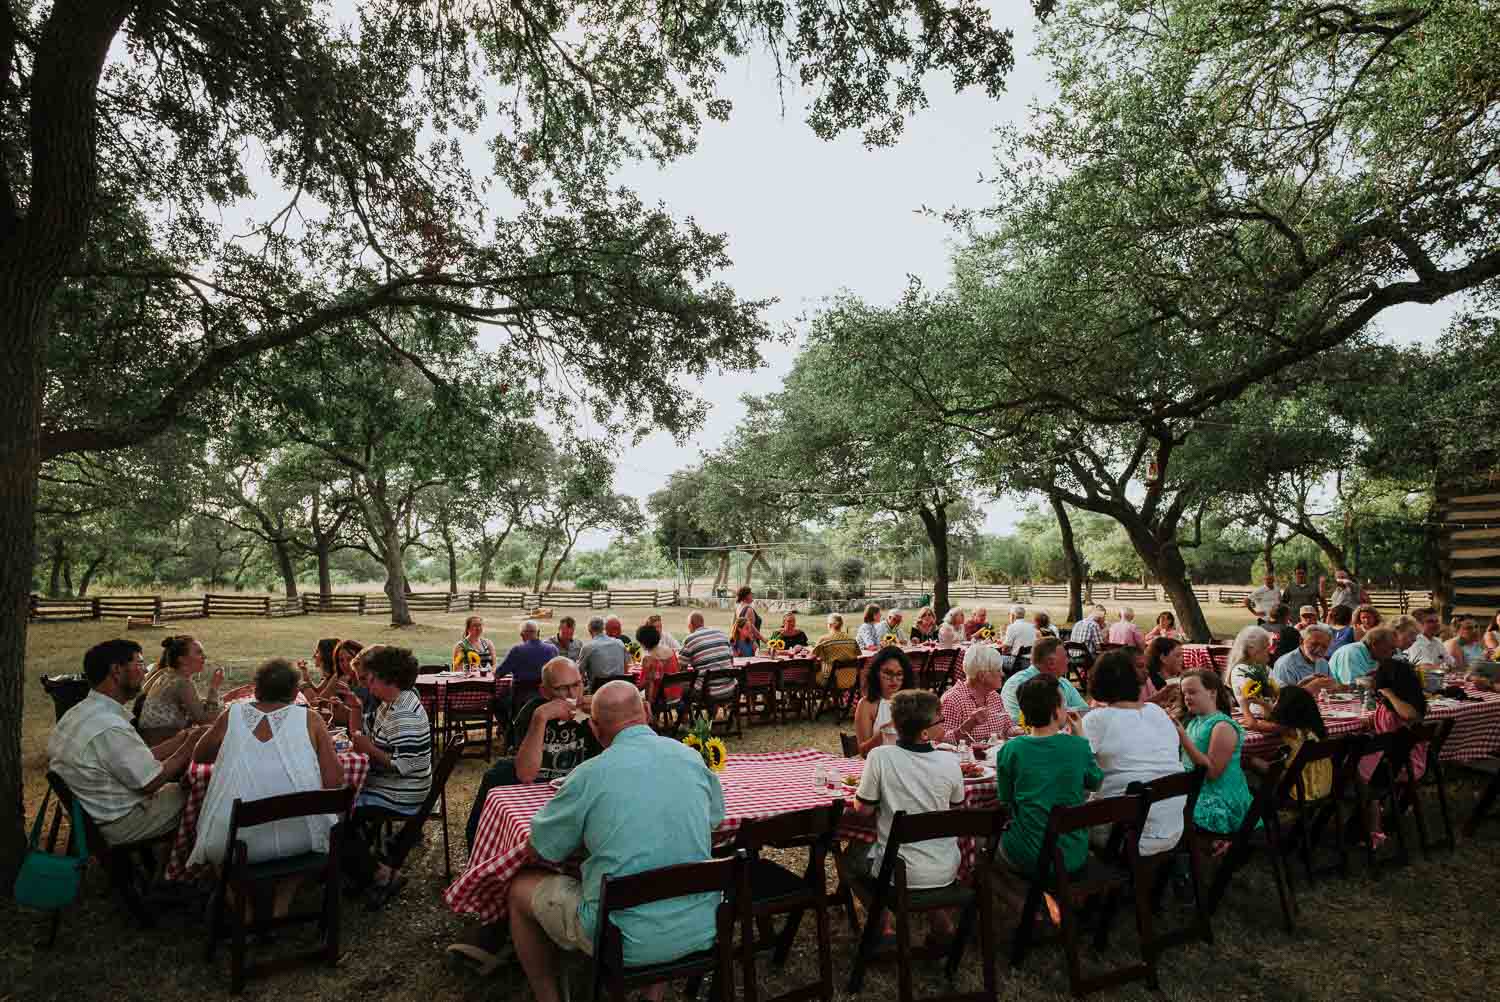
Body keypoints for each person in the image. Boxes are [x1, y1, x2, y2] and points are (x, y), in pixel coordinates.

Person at [507, 682, 725, 1002]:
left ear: (594, 728)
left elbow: (542, 848)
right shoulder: (691, 758)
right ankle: (653, 994)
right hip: (702, 925)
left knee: (519, 888)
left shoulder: (589, 774)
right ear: (647, 713)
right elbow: (715, 821)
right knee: (667, 858)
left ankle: (548, 997)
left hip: (622, 938)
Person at [449, 657, 603, 974]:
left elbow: (614, 762)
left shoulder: (595, 713)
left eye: (577, 685)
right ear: (545, 690)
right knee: (521, 843)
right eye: (563, 689)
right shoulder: (533, 711)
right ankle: (501, 922)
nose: (573, 695)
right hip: (534, 797)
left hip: (579, 801)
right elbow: (526, 773)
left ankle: (528, 922)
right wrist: (541, 719)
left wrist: (599, 721)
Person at [187, 658, 342, 917]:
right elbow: (334, 782)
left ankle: (244, 911)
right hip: (300, 838)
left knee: (215, 848)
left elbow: (199, 755)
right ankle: (280, 905)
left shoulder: (233, 714)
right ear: (295, 692)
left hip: (232, 843)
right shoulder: (310, 719)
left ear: (255, 690)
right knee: (318, 829)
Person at [48, 639, 200, 846]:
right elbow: (150, 782)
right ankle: (184, 870)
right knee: (203, 794)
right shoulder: (110, 727)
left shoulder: (78, 713)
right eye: (139, 664)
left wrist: (179, 741)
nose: (145, 672)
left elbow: (132, 760)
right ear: (116, 671)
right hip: (121, 821)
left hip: (96, 811)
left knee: (188, 787)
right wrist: (189, 747)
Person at [850, 689, 966, 937]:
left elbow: (863, 810)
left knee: (850, 855)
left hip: (898, 873)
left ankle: (881, 922)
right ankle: (939, 919)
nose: (944, 723)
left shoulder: (880, 756)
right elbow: (955, 810)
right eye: (941, 720)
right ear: (925, 733)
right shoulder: (950, 763)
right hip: (946, 868)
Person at [994, 675, 1103, 918]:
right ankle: (1045, 900)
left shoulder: (1011, 749)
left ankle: (1026, 905)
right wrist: (1081, 737)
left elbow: (1006, 802)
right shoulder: (1076, 746)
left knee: (984, 851)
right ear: (1056, 711)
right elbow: (1095, 780)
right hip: (1073, 852)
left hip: (1030, 853)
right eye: (1064, 704)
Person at [336, 646, 431, 908]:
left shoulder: (403, 714)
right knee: (340, 813)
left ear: (387, 677)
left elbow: (405, 766)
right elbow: (364, 735)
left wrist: (370, 750)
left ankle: (379, 874)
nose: (366, 686)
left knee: (335, 819)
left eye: (369, 680)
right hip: (393, 783)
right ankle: (362, 868)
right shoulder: (392, 704)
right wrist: (355, 708)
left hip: (404, 790)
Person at [1082, 651, 1185, 855]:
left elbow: (1078, 773)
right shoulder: (1158, 713)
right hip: (1172, 827)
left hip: (1124, 833)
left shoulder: (1096, 721)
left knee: (1059, 819)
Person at [1175, 670, 1253, 838]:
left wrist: (1183, 738)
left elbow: (1212, 773)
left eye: (1193, 692)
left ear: (1212, 692)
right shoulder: (1195, 721)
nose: (1187, 697)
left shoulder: (1222, 726)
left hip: (1219, 800)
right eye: (1184, 693)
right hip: (1195, 789)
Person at [1359, 657, 1428, 847]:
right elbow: (1384, 718)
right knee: (1363, 762)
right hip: (1394, 756)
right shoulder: (1388, 705)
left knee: (1353, 764)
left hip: (1404, 762)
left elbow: (1409, 715)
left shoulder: (1407, 704)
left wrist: (1390, 695)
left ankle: (1373, 825)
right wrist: (1371, 720)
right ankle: (1375, 812)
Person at [135, 634, 223, 746]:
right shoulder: (181, 682)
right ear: (182, 659)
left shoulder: (166, 674)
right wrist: (214, 688)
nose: (204, 657)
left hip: (150, 739)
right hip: (161, 745)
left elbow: (194, 708)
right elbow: (204, 720)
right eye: (199, 652)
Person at [1001, 635, 1088, 725]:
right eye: (1065, 657)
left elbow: (1084, 713)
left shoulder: (1063, 683)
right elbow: (1017, 722)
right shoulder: (1017, 684)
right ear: (1051, 663)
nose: (1068, 660)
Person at [939, 643, 1016, 743]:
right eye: (998, 670)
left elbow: (1007, 727)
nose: (1002, 674)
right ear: (982, 676)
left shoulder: (994, 696)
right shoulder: (953, 699)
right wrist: (970, 724)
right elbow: (941, 741)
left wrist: (1018, 731)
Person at [1268, 685, 1332, 802]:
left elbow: (1252, 724)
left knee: (1254, 762)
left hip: (1301, 788)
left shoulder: (1288, 729)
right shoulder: (1313, 728)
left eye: (1277, 701)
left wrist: (1244, 704)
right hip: (1323, 786)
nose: (1275, 703)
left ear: (1286, 708)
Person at [854, 647, 913, 756]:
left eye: (899, 674)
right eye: (888, 673)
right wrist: (882, 734)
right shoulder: (867, 705)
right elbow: (863, 752)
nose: (894, 680)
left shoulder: (912, 701)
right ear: (876, 673)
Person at [1272, 623, 1337, 691]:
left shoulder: (1323, 663)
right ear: (1301, 641)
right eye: (1314, 644)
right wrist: (1311, 686)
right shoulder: (1285, 664)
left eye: (1324, 647)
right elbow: (1285, 697)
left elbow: (1332, 687)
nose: (1319, 650)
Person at [1329, 625, 1398, 687]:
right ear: (1375, 644)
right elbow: (1352, 686)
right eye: (1391, 647)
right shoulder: (1352, 653)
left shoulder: (1376, 656)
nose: (1394, 652)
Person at [636, 623, 682, 707]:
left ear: (643, 643)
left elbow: (643, 684)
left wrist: (631, 687)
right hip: (677, 695)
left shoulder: (648, 659)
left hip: (660, 699)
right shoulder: (671, 652)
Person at [576, 617, 625, 690]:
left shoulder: (588, 647)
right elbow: (627, 667)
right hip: (619, 689)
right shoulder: (619, 643)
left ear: (589, 630)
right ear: (603, 628)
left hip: (597, 692)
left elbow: (578, 673)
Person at [811, 613, 860, 684]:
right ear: (841, 625)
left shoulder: (824, 639)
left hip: (830, 681)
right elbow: (857, 656)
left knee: (811, 673)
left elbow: (812, 656)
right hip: (850, 679)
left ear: (830, 625)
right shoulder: (852, 640)